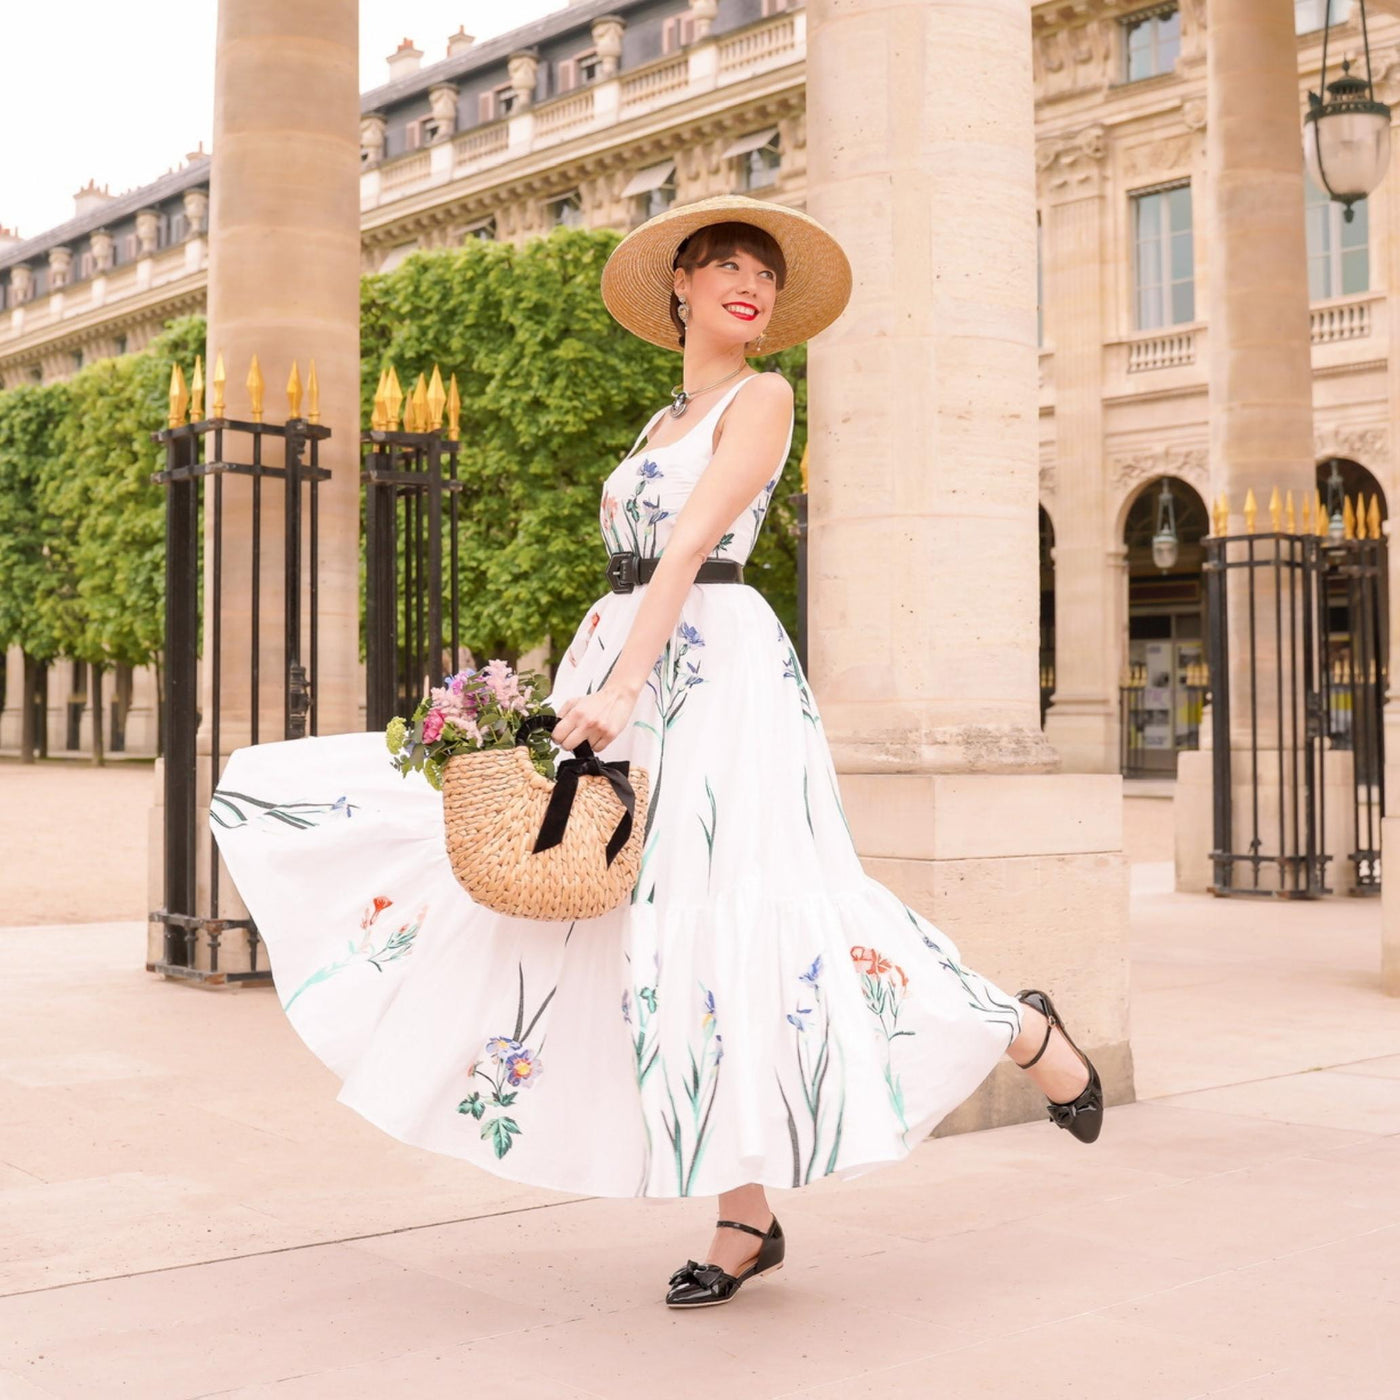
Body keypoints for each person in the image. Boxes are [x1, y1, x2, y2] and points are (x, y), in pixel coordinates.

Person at [211, 194, 1102, 1313]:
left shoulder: (763, 396)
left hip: (714, 669)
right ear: (678, 285)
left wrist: (627, 681)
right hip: (627, 651)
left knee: (757, 907)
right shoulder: (654, 424)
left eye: (763, 274)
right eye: (724, 264)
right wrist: (587, 678)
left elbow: (688, 545)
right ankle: (747, 1212)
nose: (748, 283)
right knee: (647, 925)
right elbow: (636, 565)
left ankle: (1017, 1025)